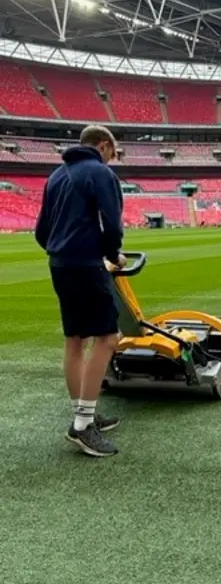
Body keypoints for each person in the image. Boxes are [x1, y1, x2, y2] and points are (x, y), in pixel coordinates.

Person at [35, 124, 126, 458]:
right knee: (108, 337)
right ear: (102, 146)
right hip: (86, 265)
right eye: (111, 155)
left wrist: (61, 249)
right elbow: (112, 223)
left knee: (74, 340)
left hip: (59, 263)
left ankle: (82, 412)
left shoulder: (56, 176)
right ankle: (82, 425)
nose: (111, 161)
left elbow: (41, 230)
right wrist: (112, 253)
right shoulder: (99, 173)